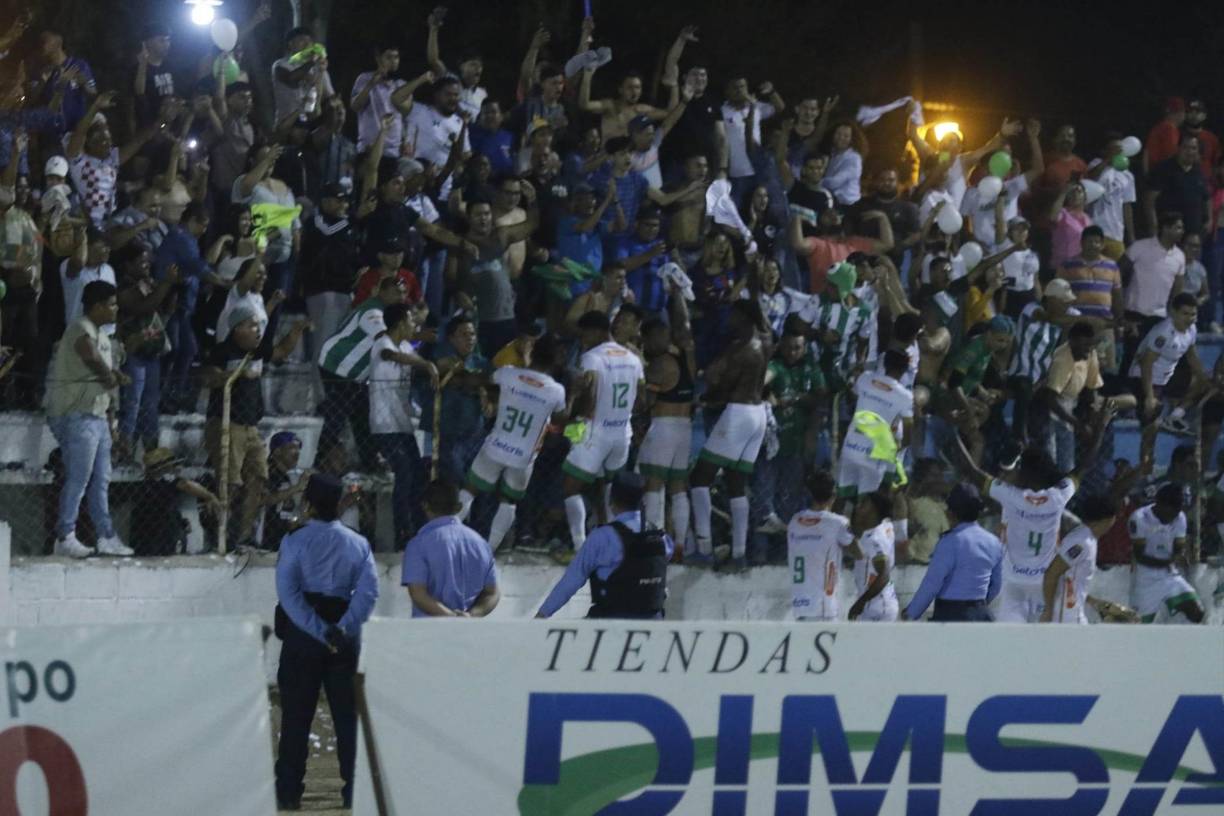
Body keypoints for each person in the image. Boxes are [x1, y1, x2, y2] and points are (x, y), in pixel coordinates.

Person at [274, 474, 378, 810]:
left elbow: (288, 595)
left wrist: (318, 630)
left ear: (307, 503)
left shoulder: (295, 541)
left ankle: (289, 793)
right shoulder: (358, 543)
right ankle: (352, 791)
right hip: (345, 634)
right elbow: (368, 594)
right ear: (339, 504)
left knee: (295, 717)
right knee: (347, 718)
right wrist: (342, 629)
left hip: (304, 633)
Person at [45, 281, 132, 557]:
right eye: (111, 304)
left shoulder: (104, 338)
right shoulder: (80, 328)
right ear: (96, 306)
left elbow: (104, 371)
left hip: (97, 415)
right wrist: (111, 377)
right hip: (75, 413)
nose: (115, 308)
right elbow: (89, 356)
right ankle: (64, 535)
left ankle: (105, 535)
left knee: (101, 479)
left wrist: (112, 425)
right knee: (79, 478)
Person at [457, 333, 567, 552]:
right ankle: (489, 550)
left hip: (496, 446)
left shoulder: (508, 374)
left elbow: (486, 379)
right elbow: (559, 420)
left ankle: (447, 536)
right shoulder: (557, 391)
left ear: (532, 352)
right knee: (509, 501)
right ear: (556, 361)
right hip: (524, 457)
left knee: (470, 490)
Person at [690, 300, 770, 566]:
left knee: (700, 478)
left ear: (745, 317)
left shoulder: (741, 349)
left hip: (738, 413)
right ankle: (738, 554)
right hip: (758, 414)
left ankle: (703, 548)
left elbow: (724, 384)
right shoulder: (764, 341)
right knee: (737, 484)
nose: (729, 320)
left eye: (734, 314)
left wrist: (707, 396)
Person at [537, 471, 673, 619]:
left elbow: (572, 580)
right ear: (642, 501)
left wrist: (542, 615)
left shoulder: (602, 538)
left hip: (610, 624)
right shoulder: (662, 538)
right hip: (653, 625)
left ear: (611, 501)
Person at [562, 311, 645, 549]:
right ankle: (610, 541)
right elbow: (641, 401)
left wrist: (572, 422)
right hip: (622, 433)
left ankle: (580, 546)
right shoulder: (633, 358)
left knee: (570, 487)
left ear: (597, 331)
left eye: (585, 334)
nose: (582, 339)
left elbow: (587, 399)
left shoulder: (592, 358)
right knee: (607, 485)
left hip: (593, 431)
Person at [369, 304, 437, 544]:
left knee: (418, 475)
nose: (414, 326)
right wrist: (426, 365)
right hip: (384, 424)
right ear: (399, 324)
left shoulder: (407, 346)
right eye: (410, 321)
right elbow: (390, 356)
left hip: (403, 424)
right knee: (405, 473)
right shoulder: (383, 344)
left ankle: (418, 527)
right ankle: (402, 531)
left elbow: (413, 356)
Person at [638, 293, 696, 550]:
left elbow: (644, 403)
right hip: (685, 428)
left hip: (663, 426)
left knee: (654, 482)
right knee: (678, 486)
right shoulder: (687, 361)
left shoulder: (660, 364)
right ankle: (681, 545)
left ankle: (654, 539)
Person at [902, 483, 1003, 622]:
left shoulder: (950, 542)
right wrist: (978, 604)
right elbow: (996, 585)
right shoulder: (994, 542)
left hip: (950, 614)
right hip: (980, 614)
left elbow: (932, 583)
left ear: (950, 513)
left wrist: (911, 613)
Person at [402, 481, 500, 617]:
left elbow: (417, 593)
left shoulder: (418, 545)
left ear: (425, 505)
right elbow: (492, 593)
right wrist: (471, 615)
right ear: (459, 507)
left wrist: (451, 617)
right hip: (469, 632)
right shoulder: (480, 543)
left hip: (427, 632)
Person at [1128, 293, 1204, 464]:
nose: (1190, 318)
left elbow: (1192, 356)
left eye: (1193, 314)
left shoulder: (1192, 329)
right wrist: (1149, 397)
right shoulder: (1163, 332)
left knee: (1205, 384)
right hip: (1145, 379)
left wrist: (1204, 379)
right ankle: (1145, 470)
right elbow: (1146, 363)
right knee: (1151, 430)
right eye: (1185, 314)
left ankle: (1175, 415)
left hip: (1168, 376)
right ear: (1173, 312)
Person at [837, 349, 913, 502]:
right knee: (866, 504)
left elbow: (853, 397)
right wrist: (900, 446)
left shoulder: (865, 379)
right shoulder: (905, 396)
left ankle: (838, 524)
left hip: (851, 446)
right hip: (874, 456)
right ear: (905, 370)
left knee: (841, 497)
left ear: (884, 364)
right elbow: (908, 429)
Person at [1129, 484, 1204, 624]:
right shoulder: (1139, 518)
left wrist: (1180, 554)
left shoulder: (1180, 517)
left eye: (1177, 512)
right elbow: (1140, 556)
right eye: (1171, 512)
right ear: (1160, 504)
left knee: (1196, 611)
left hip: (1170, 576)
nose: (1174, 516)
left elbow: (1178, 546)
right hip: (1145, 580)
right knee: (1139, 625)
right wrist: (1168, 561)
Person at [1040, 494, 1118, 624]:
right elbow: (1051, 574)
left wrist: (1093, 602)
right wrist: (1048, 610)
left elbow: (1071, 579)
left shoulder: (1087, 538)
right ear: (1107, 520)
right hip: (1067, 616)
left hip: (1073, 612)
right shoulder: (1081, 542)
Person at [788, 471, 854, 621]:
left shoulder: (794, 521)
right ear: (833, 495)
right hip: (824, 607)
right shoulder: (838, 523)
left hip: (800, 605)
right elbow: (858, 553)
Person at [847, 491, 901, 621]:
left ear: (874, 511)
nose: (858, 506)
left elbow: (884, 575)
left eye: (864, 504)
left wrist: (860, 603)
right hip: (884, 604)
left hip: (876, 608)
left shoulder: (873, 539)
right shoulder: (886, 525)